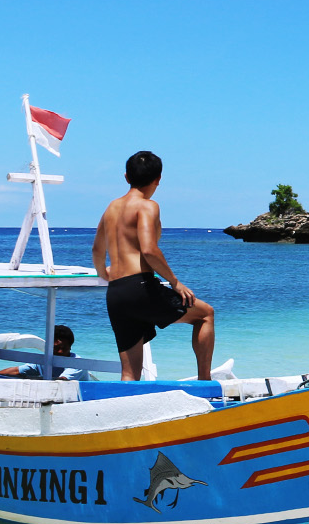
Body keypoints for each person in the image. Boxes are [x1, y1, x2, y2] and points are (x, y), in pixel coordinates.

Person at [92, 150, 216, 381]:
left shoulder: (111, 207)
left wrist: (103, 274)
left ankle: (124, 412)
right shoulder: (147, 206)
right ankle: (205, 383)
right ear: (158, 178)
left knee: (129, 373)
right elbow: (149, 249)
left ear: (126, 177)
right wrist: (175, 282)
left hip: (117, 292)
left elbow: (97, 250)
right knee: (205, 314)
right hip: (140, 286)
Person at [0, 324, 91, 381]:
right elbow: (17, 371)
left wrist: (29, 379)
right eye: (56, 348)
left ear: (70, 347)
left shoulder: (77, 363)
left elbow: (62, 381)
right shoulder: (43, 362)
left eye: (64, 348)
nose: (60, 351)